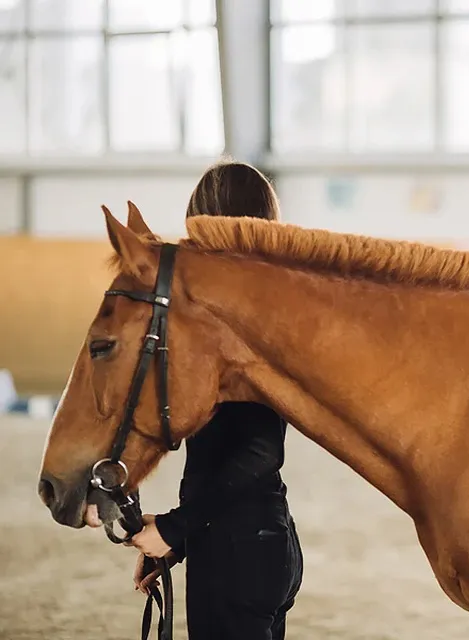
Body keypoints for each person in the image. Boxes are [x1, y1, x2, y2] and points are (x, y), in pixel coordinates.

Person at [126, 160, 304, 639]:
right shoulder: (259, 310)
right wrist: (176, 539)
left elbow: (261, 451)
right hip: (262, 537)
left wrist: (175, 528)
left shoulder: (243, 321)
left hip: (235, 551)